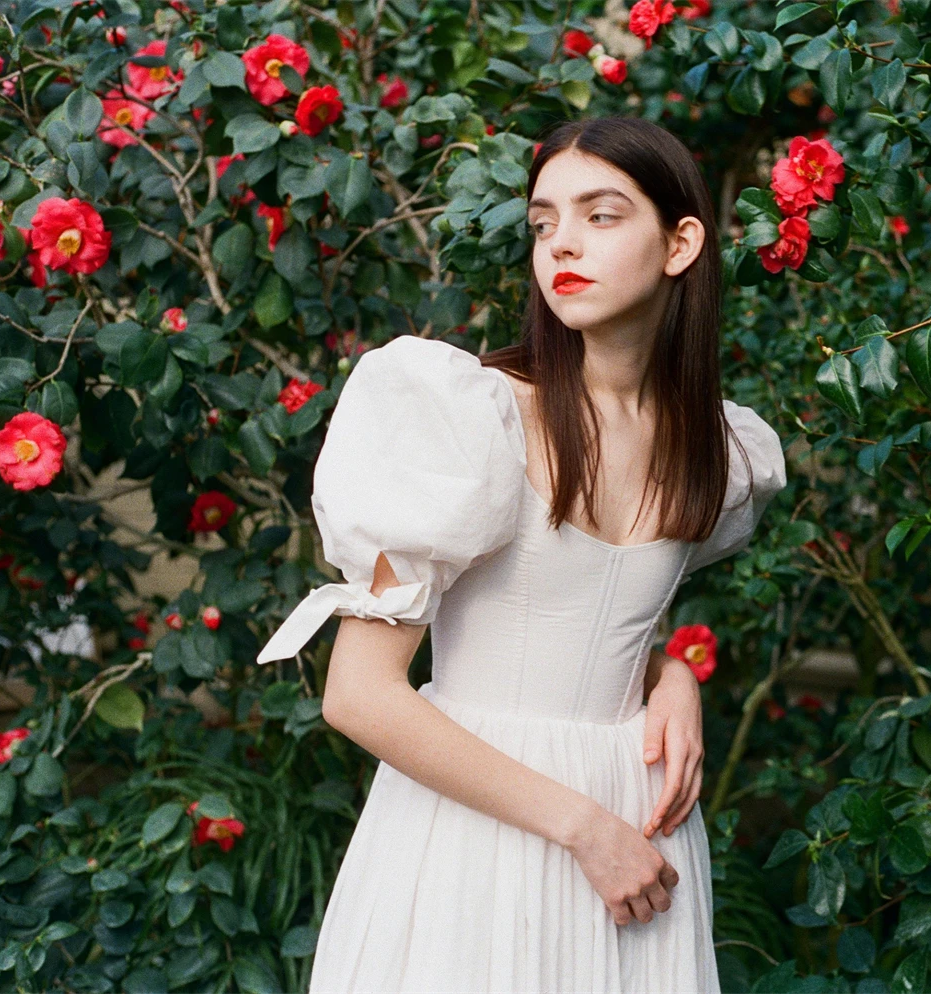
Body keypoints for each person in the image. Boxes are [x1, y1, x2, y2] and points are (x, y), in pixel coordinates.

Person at [256, 116, 787, 993]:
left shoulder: (714, 449)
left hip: (636, 833)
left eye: (601, 216)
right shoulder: (479, 419)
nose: (561, 245)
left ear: (681, 242)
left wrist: (671, 679)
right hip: (484, 834)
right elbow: (359, 696)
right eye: (543, 222)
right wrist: (584, 828)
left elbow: (587, 617)